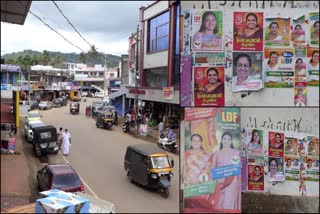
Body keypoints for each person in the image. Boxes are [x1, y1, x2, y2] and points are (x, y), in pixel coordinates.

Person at [210, 132, 241, 210]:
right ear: (221, 140)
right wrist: (217, 180)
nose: (226, 141)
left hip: (231, 182)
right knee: (218, 203)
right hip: (219, 182)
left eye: (228, 139)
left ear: (231, 141)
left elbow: (238, 168)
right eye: (224, 139)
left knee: (228, 203)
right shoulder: (216, 153)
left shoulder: (236, 153)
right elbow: (212, 169)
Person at [184, 134, 212, 209]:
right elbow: (183, 169)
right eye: (194, 140)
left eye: (198, 141)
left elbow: (206, 171)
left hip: (201, 185)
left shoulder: (207, 155)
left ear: (201, 142)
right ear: (191, 142)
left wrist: (197, 180)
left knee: (200, 206)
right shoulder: (185, 154)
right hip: (187, 183)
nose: (196, 142)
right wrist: (187, 181)